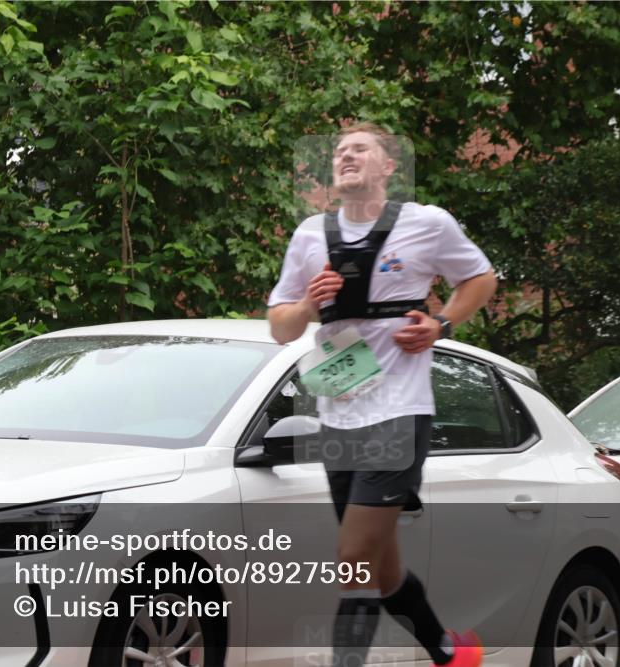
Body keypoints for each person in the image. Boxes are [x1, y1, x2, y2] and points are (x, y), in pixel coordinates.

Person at [267, 122, 497, 667]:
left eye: (360, 149)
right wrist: (307, 305)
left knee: (352, 558)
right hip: (337, 412)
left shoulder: (426, 224)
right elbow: (280, 326)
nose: (346, 156)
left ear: (388, 166)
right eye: (339, 150)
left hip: (399, 412)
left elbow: (481, 279)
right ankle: (451, 654)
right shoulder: (309, 235)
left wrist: (440, 324)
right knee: (380, 566)